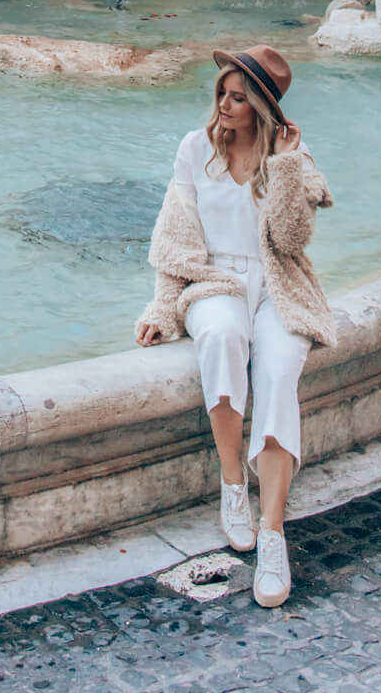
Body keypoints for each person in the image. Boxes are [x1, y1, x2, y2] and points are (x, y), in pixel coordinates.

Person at [135, 46, 336, 608]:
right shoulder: (194, 150)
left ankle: (273, 533)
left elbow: (293, 241)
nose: (224, 104)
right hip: (213, 281)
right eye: (221, 93)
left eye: (238, 97)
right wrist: (161, 308)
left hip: (276, 287)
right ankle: (232, 486)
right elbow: (174, 243)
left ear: (261, 107)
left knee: (275, 373)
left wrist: (288, 167)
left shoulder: (291, 156)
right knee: (221, 337)